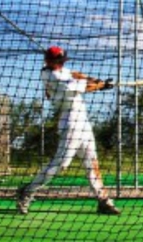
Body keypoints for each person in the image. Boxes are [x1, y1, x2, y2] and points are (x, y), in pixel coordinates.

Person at [16, 46, 121, 215]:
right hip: (70, 121)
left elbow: (74, 73)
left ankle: (103, 200)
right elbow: (85, 87)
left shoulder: (59, 70)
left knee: (92, 162)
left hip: (82, 121)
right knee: (61, 165)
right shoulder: (53, 76)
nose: (61, 64)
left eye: (61, 62)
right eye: (58, 62)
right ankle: (27, 191)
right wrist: (101, 86)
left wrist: (95, 78)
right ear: (50, 62)